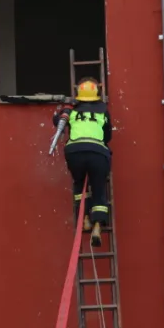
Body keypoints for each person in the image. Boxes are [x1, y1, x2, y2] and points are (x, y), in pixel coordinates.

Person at [52, 77, 113, 247]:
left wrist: (62, 109)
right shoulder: (103, 111)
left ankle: (85, 218)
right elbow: (108, 136)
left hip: (74, 153)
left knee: (80, 186)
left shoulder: (72, 112)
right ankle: (97, 225)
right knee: (99, 188)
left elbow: (57, 122)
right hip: (98, 153)